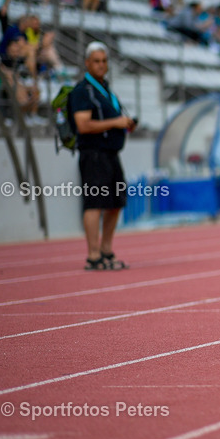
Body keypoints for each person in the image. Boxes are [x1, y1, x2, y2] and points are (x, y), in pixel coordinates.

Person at [69, 42, 136, 270]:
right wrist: (115, 122)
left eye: (104, 61)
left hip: (111, 153)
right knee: (94, 203)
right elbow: (83, 125)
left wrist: (125, 124)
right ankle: (93, 254)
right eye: (96, 61)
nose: (101, 65)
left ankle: (106, 250)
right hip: (93, 154)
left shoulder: (106, 90)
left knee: (116, 203)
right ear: (87, 63)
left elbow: (112, 119)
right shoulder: (82, 91)